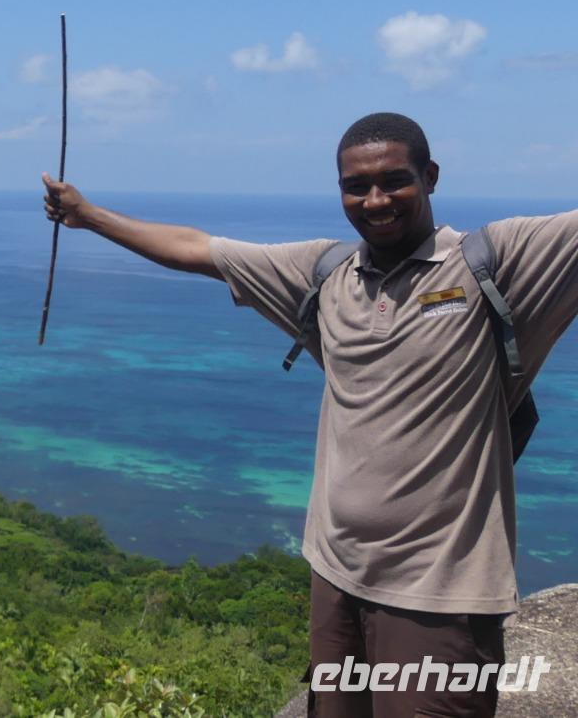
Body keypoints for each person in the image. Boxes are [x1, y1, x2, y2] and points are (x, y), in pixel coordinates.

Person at [41, 112, 578, 718]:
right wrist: (87, 216)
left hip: (439, 592)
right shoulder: (326, 274)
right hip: (335, 574)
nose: (375, 200)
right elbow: (198, 250)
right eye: (356, 186)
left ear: (430, 176)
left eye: (394, 180)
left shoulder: (495, 262)